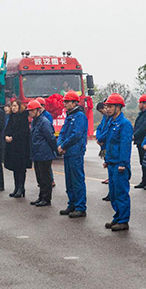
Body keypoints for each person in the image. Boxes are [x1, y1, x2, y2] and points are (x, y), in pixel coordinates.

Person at [102, 93, 134, 231]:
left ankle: (123, 220)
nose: (107, 109)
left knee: (121, 193)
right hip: (112, 162)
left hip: (120, 164)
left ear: (118, 107)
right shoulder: (111, 122)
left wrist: (123, 163)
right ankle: (117, 217)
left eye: (110, 106)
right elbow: (109, 142)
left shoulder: (124, 124)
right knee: (114, 193)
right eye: (107, 106)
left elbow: (125, 145)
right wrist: (107, 160)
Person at [57, 90, 88, 218]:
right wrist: (59, 144)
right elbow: (63, 132)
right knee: (69, 180)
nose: (65, 104)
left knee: (77, 180)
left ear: (75, 102)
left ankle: (81, 207)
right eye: (64, 101)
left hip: (75, 152)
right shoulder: (69, 116)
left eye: (67, 101)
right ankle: (72, 204)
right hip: (68, 152)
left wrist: (63, 145)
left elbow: (76, 134)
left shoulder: (80, 116)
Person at [28, 100, 57, 207]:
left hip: (44, 154)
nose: (30, 113)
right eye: (29, 111)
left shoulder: (44, 122)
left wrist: (55, 150)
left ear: (38, 110)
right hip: (37, 153)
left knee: (46, 178)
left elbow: (51, 137)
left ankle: (46, 198)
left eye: (32, 111)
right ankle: (41, 197)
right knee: (40, 177)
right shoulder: (35, 121)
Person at [4, 100, 32, 198]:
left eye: (15, 106)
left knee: (21, 168)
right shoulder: (11, 117)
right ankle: (16, 187)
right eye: (12, 106)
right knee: (15, 168)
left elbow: (24, 132)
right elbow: (7, 129)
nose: (13, 108)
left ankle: (21, 187)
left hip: (21, 147)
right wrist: (6, 136)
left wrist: (13, 137)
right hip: (12, 147)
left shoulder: (23, 117)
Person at [133, 94, 146, 190]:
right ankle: (144, 180)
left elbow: (144, 127)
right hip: (140, 141)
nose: (139, 105)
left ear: (144, 104)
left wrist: (135, 135)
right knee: (142, 162)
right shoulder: (142, 113)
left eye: (140, 103)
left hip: (144, 141)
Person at [36, 97, 56, 187]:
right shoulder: (36, 117)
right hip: (39, 147)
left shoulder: (46, 116)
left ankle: (51, 180)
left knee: (46, 167)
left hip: (45, 145)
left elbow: (49, 131)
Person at [95, 102, 111, 199]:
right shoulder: (105, 118)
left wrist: (101, 139)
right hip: (103, 144)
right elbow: (99, 128)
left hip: (107, 145)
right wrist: (98, 138)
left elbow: (108, 131)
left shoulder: (112, 119)